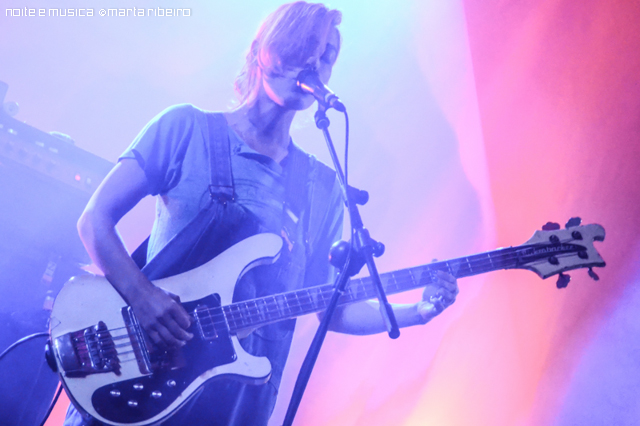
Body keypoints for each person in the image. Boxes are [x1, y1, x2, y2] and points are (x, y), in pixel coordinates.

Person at [64, 2, 459, 425]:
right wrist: (144, 298)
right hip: (138, 376)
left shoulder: (322, 187)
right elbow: (94, 220)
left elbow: (332, 305)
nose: (315, 62)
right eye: (306, 45)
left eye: (327, 56)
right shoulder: (184, 129)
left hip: (232, 407)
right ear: (263, 48)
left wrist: (418, 312)